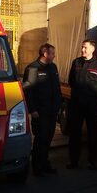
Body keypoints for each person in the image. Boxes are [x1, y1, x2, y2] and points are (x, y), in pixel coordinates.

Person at [67, 39, 97, 170]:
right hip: (76, 104)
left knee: (92, 133)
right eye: (82, 47)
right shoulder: (76, 62)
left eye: (85, 47)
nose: (82, 50)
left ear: (92, 49)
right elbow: (71, 80)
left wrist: (96, 95)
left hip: (91, 105)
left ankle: (92, 162)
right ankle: (73, 161)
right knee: (74, 133)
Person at [22, 43, 62, 176]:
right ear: (45, 54)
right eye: (52, 53)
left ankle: (45, 163)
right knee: (40, 139)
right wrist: (32, 110)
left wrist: (59, 105)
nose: (54, 55)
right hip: (40, 111)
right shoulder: (33, 68)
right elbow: (28, 91)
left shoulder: (53, 67)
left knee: (48, 138)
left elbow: (57, 88)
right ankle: (37, 167)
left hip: (52, 110)